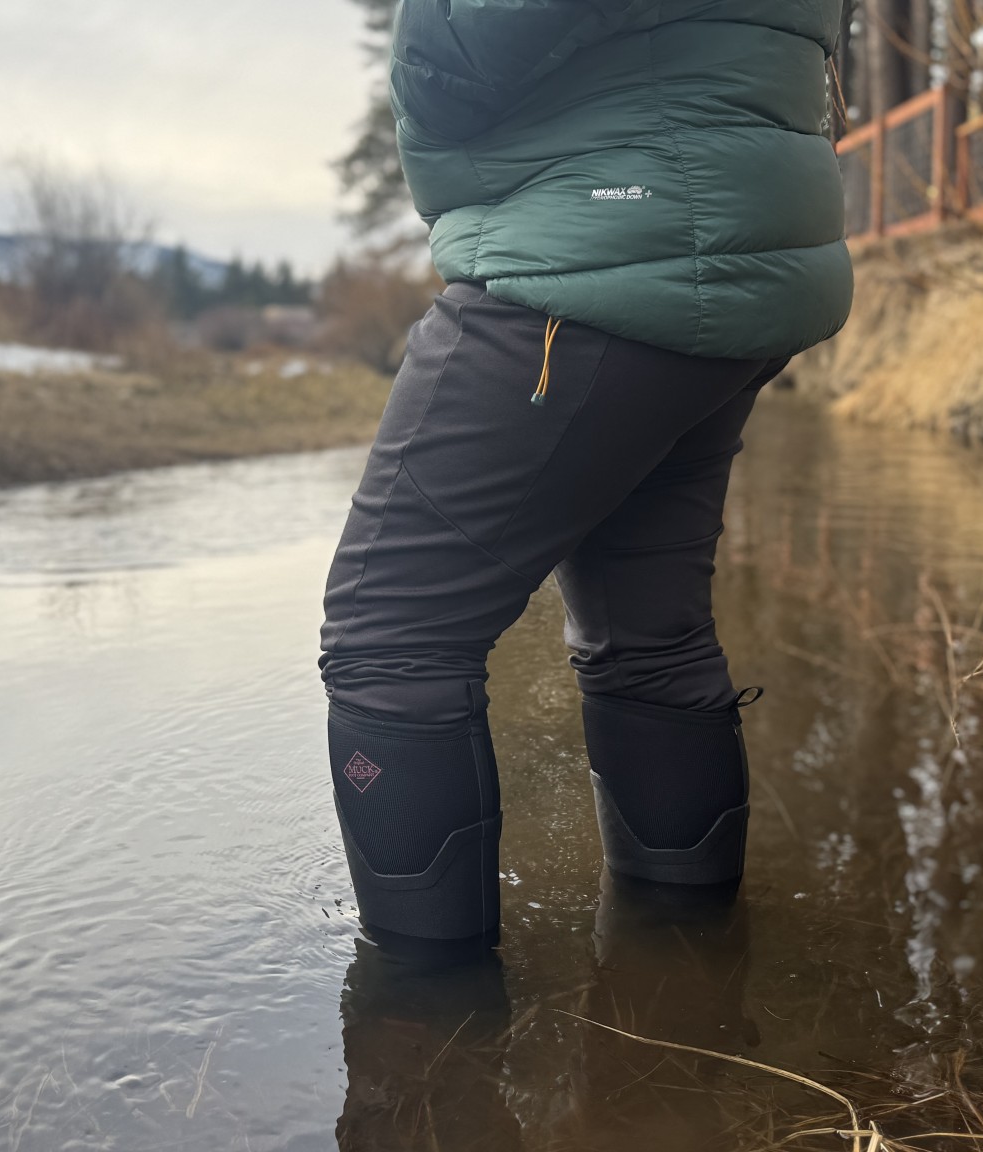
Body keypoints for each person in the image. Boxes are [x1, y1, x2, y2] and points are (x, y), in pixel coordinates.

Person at [320, 0, 852, 950]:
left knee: (388, 638)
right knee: (651, 639)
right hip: (726, 239)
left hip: (594, 241)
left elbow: (462, 51)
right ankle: (687, 989)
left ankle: (424, 1025)